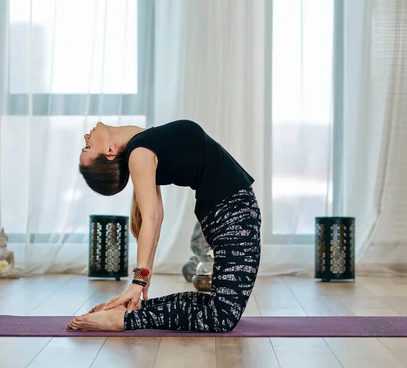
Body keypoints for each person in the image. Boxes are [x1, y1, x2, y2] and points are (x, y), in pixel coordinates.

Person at [67, 119, 261, 332]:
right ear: (110, 151)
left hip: (230, 214)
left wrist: (144, 278)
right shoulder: (140, 152)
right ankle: (124, 320)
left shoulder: (143, 146)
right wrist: (138, 281)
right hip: (233, 214)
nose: (86, 137)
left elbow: (156, 218)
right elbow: (151, 218)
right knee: (221, 318)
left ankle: (127, 313)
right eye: (88, 146)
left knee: (217, 307)